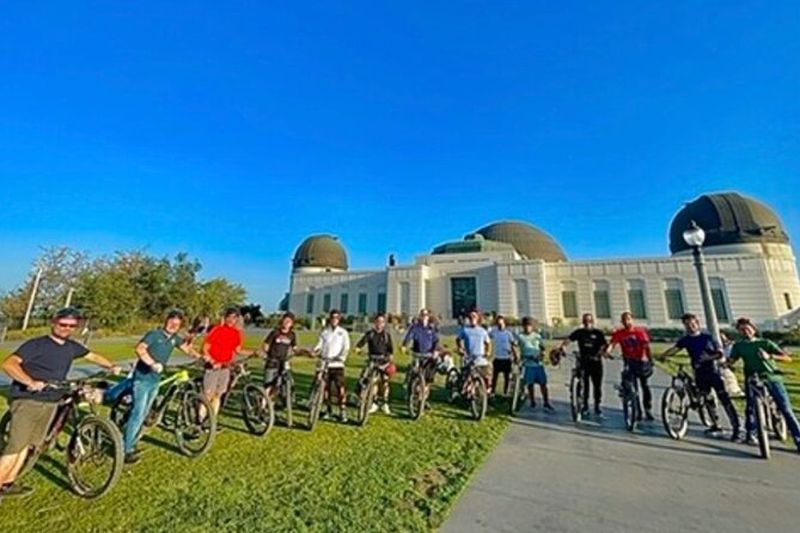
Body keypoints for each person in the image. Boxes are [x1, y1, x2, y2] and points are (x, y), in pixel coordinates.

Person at [0, 307, 120, 497]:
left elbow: (92, 356)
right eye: (63, 324)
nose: (67, 328)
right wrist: (30, 382)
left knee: (29, 445)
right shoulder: (37, 344)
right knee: (15, 447)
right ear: (53, 322)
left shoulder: (71, 347)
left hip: (51, 401)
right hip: (29, 400)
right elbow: (8, 364)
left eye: (72, 326)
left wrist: (111, 366)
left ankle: (7, 483)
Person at [124, 309, 201, 464]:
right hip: (142, 379)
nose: (173, 326)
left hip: (155, 380)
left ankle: (131, 440)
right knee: (138, 414)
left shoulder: (174, 338)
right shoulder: (154, 334)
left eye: (177, 324)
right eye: (171, 322)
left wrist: (201, 358)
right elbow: (139, 349)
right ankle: (126, 449)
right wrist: (152, 363)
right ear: (166, 321)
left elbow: (187, 349)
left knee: (145, 414)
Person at [660, 313, 741, 439]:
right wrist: (663, 355)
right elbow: (675, 349)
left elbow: (719, 353)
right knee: (706, 398)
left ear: (697, 324)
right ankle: (715, 424)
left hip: (713, 371)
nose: (690, 326)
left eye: (692, 324)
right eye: (687, 325)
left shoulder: (708, 338)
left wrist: (708, 357)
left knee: (724, 398)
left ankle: (736, 427)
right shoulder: (685, 340)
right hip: (699, 372)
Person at [728, 317, 800, 452]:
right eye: (742, 330)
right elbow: (732, 360)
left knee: (785, 408)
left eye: (747, 328)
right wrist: (725, 364)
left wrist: (770, 356)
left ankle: (798, 439)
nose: (745, 331)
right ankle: (752, 433)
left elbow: (787, 358)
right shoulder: (739, 346)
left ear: (753, 329)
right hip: (752, 378)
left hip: (771, 377)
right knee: (750, 407)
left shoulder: (765, 343)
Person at [202, 307, 254, 418]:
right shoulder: (217, 330)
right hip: (213, 366)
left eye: (234, 318)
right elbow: (206, 348)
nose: (231, 320)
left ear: (236, 320)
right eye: (229, 317)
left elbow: (238, 350)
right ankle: (200, 419)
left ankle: (211, 420)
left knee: (218, 394)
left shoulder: (236, 333)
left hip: (225, 367)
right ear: (225, 318)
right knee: (208, 394)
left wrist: (254, 352)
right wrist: (211, 360)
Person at [605, 312, 654, 421]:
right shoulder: (620, 333)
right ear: (622, 322)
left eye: (628, 319)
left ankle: (647, 409)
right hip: (629, 361)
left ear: (632, 320)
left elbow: (646, 347)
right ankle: (637, 410)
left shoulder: (640, 332)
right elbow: (612, 344)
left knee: (645, 386)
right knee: (632, 386)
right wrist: (607, 352)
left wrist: (650, 360)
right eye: (624, 320)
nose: (626, 322)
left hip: (641, 361)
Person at [558, 313, 607, 416]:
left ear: (592, 321)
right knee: (584, 385)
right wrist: (562, 347)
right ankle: (585, 406)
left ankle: (597, 406)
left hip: (596, 362)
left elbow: (604, 345)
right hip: (583, 361)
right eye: (585, 321)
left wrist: (600, 353)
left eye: (589, 321)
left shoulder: (598, 333)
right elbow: (569, 339)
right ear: (583, 322)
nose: (587, 323)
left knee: (597, 386)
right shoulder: (579, 332)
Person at [313, 309, 350, 422]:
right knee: (325, 388)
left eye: (336, 318)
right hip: (325, 364)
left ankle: (342, 410)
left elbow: (346, 347)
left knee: (340, 388)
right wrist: (315, 351)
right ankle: (328, 409)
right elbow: (319, 344)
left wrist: (341, 357)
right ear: (330, 318)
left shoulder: (343, 332)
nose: (334, 320)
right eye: (333, 317)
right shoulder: (325, 332)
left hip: (337, 364)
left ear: (339, 319)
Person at [355, 313, 396, 415]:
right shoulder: (370, 334)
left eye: (382, 322)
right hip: (372, 361)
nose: (379, 324)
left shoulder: (386, 336)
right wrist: (358, 349)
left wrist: (390, 357)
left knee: (385, 382)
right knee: (373, 381)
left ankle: (385, 403)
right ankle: (374, 402)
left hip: (384, 362)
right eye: (378, 321)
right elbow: (361, 343)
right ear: (374, 322)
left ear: (384, 324)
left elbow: (390, 350)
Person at [515, 317, 553, 411]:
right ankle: (532, 401)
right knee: (530, 384)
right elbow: (515, 346)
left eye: (529, 325)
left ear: (532, 327)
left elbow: (543, 348)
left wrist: (541, 355)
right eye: (526, 325)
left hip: (538, 363)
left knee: (543, 384)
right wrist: (517, 356)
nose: (527, 327)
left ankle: (546, 402)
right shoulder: (520, 337)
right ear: (523, 326)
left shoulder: (537, 336)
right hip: (527, 363)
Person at [262, 312, 298, 397]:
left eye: (289, 321)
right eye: (285, 320)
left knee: (278, 385)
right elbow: (266, 345)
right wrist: (268, 354)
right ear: (282, 321)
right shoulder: (275, 332)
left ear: (292, 324)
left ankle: (271, 401)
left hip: (282, 362)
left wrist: (303, 352)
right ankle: (263, 403)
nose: (286, 323)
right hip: (272, 361)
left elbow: (295, 348)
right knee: (268, 384)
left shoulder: (292, 335)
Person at [456, 310, 492, 391]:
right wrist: (460, 348)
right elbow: (458, 339)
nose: (472, 318)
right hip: (469, 358)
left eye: (474, 316)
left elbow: (488, 343)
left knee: (488, 375)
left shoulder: (483, 331)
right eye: (470, 317)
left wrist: (488, 352)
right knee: (467, 378)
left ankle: (487, 392)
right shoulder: (465, 330)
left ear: (478, 318)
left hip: (480, 358)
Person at [402, 309, 441, 386]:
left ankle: (428, 383)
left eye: (426, 315)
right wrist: (404, 345)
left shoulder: (431, 328)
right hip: (417, 353)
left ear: (428, 317)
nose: (424, 317)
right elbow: (409, 337)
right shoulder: (415, 327)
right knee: (414, 369)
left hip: (428, 354)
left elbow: (436, 340)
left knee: (433, 365)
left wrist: (436, 350)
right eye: (422, 315)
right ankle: (408, 382)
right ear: (420, 316)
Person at [489, 315, 515, 396]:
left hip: (506, 358)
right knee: (494, 377)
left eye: (501, 323)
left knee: (507, 377)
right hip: (497, 358)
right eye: (498, 324)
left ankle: (505, 392)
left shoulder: (508, 333)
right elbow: (487, 337)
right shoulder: (494, 332)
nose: (500, 325)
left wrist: (514, 355)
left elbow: (512, 344)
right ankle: (492, 392)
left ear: (504, 324)